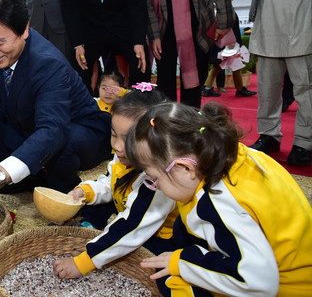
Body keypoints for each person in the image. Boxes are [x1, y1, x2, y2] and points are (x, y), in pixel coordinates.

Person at [125, 102, 312, 296]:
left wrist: (183, 263)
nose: (156, 187)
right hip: (296, 267)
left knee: (173, 283)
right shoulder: (235, 152)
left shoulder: (218, 202)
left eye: (154, 179)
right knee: (182, 227)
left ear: (186, 168)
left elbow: (258, 283)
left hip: (286, 288)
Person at [0, 0, 112, 206]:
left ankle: (60, 185)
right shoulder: (5, 53)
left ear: (24, 29)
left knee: (60, 136)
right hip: (36, 123)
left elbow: (52, 129)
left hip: (81, 132)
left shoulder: (47, 63)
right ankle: (22, 178)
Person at [53, 87, 178, 280]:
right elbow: (110, 181)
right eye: (114, 135)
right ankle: (92, 225)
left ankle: (103, 239)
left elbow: (133, 225)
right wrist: (85, 191)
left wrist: (83, 262)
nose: (118, 147)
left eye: (129, 140)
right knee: (96, 203)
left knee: (152, 264)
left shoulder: (160, 178)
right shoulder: (123, 156)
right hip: (128, 203)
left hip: (159, 234)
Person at [241, 0, 312, 166]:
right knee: (268, 81)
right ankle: (269, 135)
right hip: (267, 3)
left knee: (304, 81)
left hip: (305, 1)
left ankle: (305, 141)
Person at [202, 0, 257, 97]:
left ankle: (239, 88)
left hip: (228, 43)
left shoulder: (224, 8)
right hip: (226, 43)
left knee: (232, 65)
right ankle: (208, 88)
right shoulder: (222, 9)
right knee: (220, 66)